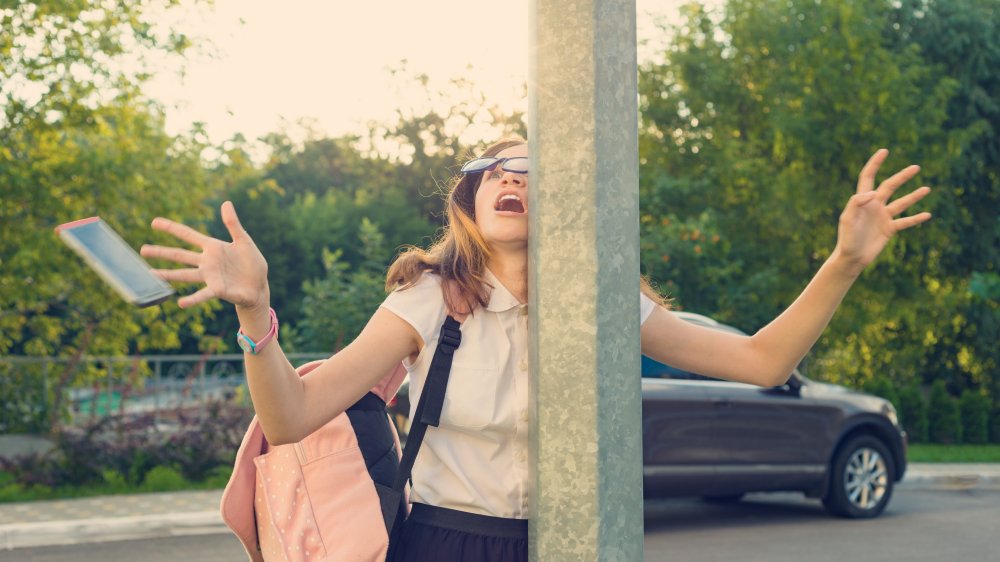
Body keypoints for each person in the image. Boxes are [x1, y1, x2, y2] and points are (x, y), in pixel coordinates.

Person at [140, 136, 931, 561]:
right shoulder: (425, 299)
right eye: (498, 170)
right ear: (471, 202)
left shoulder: (602, 304)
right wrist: (257, 313)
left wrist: (844, 263)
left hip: (572, 544)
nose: (516, 177)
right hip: (442, 543)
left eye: (535, 170)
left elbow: (761, 361)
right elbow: (293, 418)